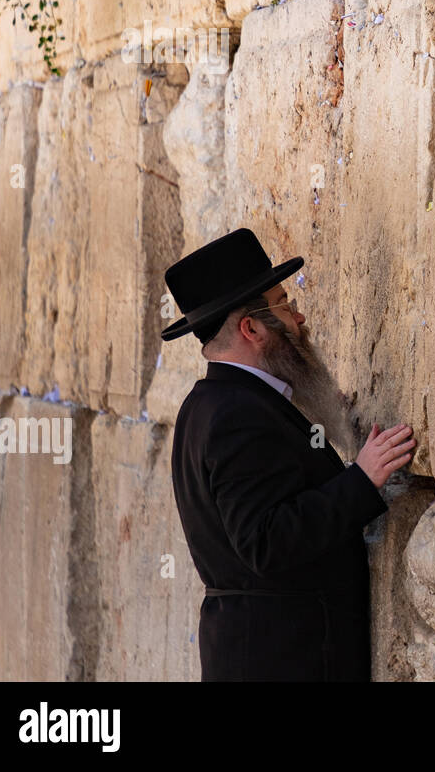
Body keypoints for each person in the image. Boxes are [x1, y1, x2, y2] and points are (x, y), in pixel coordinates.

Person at [162, 228, 416, 681]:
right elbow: (265, 541)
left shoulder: (209, 405)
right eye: (284, 304)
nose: (299, 319)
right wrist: (362, 479)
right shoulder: (235, 415)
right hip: (282, 660)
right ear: (252, 328)